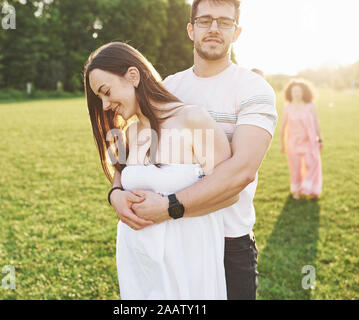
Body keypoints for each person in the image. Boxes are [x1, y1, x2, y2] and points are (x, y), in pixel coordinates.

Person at [109, 0, 277, 300]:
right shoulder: (170, 88)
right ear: (191, 29)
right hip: (174, 241)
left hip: (228, 241)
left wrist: (169, 206)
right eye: (205, 20)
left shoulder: (254, 89)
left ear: (237, 32)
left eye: (224, 22)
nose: (214, 28)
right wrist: (115, 192)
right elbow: (135, 152)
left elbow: (241, 171)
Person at [84, 42, 239, 299]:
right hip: (140, 266)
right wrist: (114, 196)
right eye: (99, 98)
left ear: (133, 76)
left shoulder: (192, 119)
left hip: (186, 267)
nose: (105, 105)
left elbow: (229, 192)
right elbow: (119, 179)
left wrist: (170, 207)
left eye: (106, 92)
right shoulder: (130, 133)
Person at [280, 79, 323, 199]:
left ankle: (312, 188)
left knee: (312, 164)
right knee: (295, 167)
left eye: (299, 91)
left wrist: (320, 139)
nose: (297, 93)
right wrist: (282, 144)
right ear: (290, 93)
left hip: (309, 141)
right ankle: (297, 190)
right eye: (294, 91)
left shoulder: (310, 106)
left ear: (303, 92)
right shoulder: (287, 108)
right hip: (292, 142)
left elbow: (316, 123)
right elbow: (282, 127)